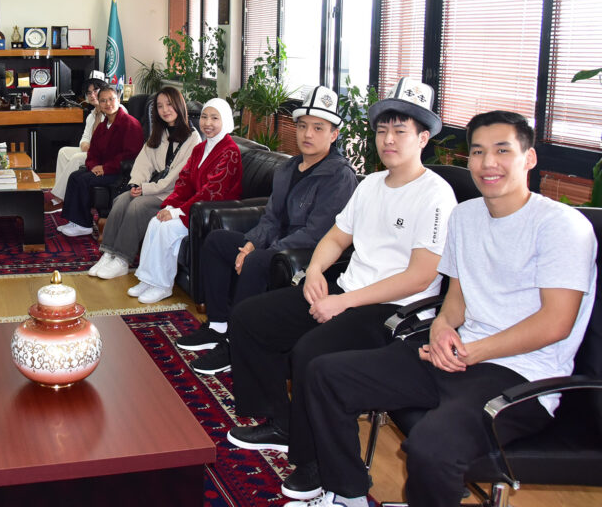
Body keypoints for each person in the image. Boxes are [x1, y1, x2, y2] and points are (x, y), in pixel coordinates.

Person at [292, 110, 598, 507]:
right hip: (456, 356)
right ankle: (348, 494)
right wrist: (441, 331)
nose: (488, 163)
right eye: (478, 152)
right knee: (325, 374)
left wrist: (470, 351)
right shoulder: (466, 216)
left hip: (520, 378)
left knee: (431, 448)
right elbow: (456, 299)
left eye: (502, 150)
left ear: (530, 158)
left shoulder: (562, 226)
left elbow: (555, 324)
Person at [222, 77, 459, 502]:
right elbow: (335, 237)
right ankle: (281, 423)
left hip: (394, 310)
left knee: (311, 353)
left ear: (423, 138)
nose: (388, 139)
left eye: (400, 131)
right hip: (345, 290)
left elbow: (421, 277)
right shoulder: (370, 185)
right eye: (382, 130)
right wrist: (315, 271)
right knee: (250, 319)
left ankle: (317, 464)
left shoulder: (436, 196)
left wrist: (342, 302)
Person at [177, 86, 357, 374]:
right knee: (218, 241)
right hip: (276, 244)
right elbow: (271, 217)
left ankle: (236, 345)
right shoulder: (288, 168)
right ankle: (218, 326)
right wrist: (251, 243)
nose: (308, 134)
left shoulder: (339, 176)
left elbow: (316, 233)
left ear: (334, 134)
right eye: (302, 126)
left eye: (318, 128)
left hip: (307, 254)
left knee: (257, 260)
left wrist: (263, 250)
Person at [130, 98, 243, 304]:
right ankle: (147, 279)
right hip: (192, 208)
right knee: (155, 222)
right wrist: (170, 205)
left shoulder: (230, 151)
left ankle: (162, 286)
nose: (207, 123)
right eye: (204, 117)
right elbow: (184, 182)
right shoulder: (200, 148)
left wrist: (176, 212)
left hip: (212, 213)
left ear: (225, 121)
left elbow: (211, 192)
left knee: (166, 229)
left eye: (214, 118)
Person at [87, 86, 201, 280]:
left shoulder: (193, 138)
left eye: (169, 104)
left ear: (179, 106)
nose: (165, 110)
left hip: (173, 193)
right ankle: (108, 253)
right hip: (153, 188)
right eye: (160, 106)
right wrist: (136, 184)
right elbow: (144, 161)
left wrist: (146, 189)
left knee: (137, 206)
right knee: (121, 200)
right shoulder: (160, 132)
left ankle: (122, 259)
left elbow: (177, 176)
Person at [57, 84, 143, 237]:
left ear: (118, 100)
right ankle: (74, 220)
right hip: (103, 169)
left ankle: (84, 225)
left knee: (83, 180)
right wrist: (94, 166)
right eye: (103, 101)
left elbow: (130, 155)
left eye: (111, 99)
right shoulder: (103, 127)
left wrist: (105, 168)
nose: (108, 104)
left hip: (120, 172)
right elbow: (93, 152)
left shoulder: (130, 124)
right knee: (75, 176)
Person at [45, 74, 107, 213]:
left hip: (104, 155)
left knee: (76, 158)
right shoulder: (92, 115)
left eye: (95, 91)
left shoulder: (113, 110)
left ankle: (59, 198)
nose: (92, 95)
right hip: (91, 151)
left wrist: (92, 149)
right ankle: (62, 196)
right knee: (63, 151)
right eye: (89, 93)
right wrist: (85, 145)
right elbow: (85, 138)